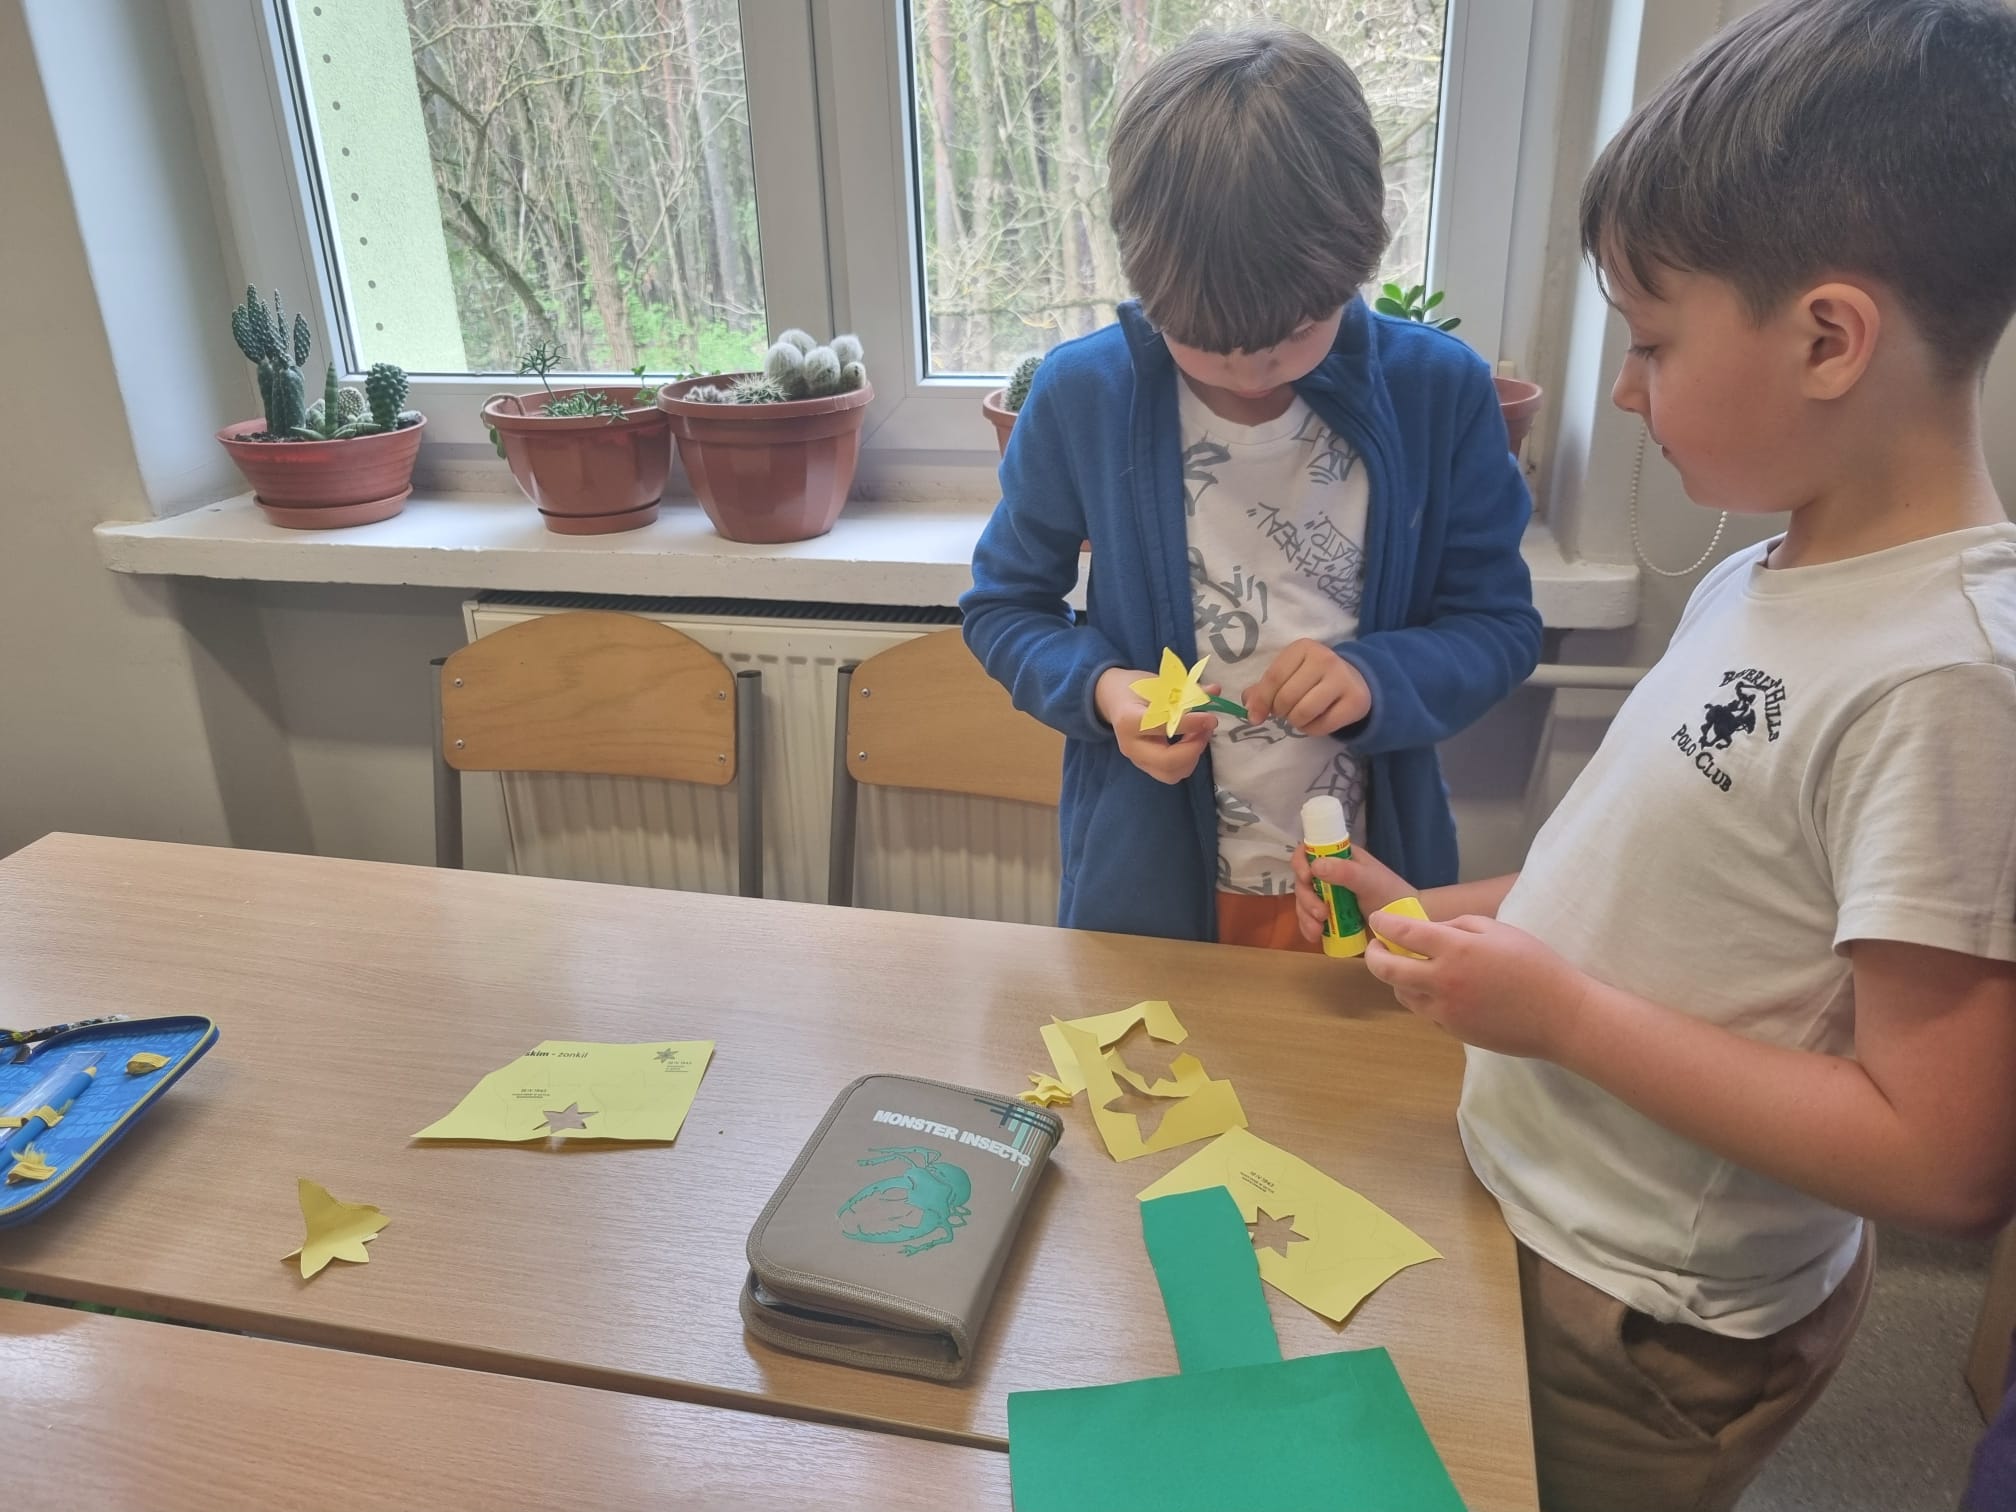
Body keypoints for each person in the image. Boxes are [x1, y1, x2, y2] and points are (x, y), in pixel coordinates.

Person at [1294, 3, 2016, 1507]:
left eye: (1653, 339)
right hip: (1551, 1212)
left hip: (1648, 1319)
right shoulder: (1769, 569)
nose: (1624, 388)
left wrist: (1556, 1014)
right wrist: (1445, 913)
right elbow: (1667, 884)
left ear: (1829, 338)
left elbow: (1942, 1161)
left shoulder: (1951, 685)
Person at [960, 25, 1540, 949]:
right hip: (1148, 892)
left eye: (1294, 333)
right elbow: (1003, 608)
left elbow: (1499, 627)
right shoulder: (1083, 396)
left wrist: (1376, 676)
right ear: (1146, 277)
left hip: (1370, 881)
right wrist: (1105, 690)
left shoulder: (1439, 392)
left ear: (1358, 257)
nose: (1250, 369)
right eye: (1203, 340)